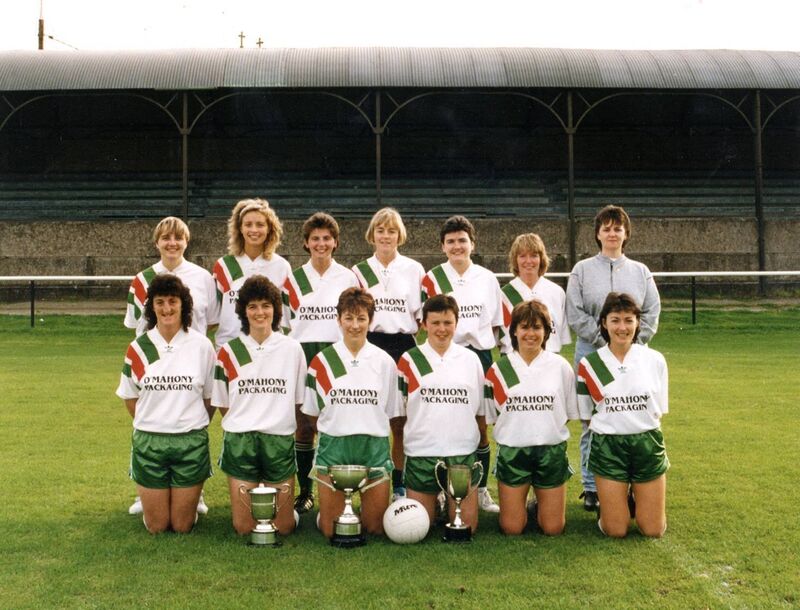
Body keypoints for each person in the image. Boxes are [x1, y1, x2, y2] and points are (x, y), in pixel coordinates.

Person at [566, 205, 661, 512]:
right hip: (592, 354)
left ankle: (633, 483)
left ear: (626, 234)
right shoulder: (581, 270)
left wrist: (630, 343)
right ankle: (592, 486)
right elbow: (575, 313)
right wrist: (603, 341)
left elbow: (651, 312)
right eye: (606, 228)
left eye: (617, 228)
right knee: (592, 421)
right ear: (597, 234)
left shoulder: (640, 272)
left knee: (630, 417)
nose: (612, 233)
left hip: (631, 356)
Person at [124, 216, 218, 516]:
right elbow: (134, 326)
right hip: (154, 362)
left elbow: (211, 321)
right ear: (157, 242)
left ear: (186, 242)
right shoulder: (141, 279)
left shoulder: (203, 277)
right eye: (166, 238)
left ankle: (195, 492)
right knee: (151, 425)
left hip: (192, 361)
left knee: (191, 428)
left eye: (178, 237)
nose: (172, 243)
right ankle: (146, 491)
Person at [116, 274, 216, 534]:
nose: (167, 308)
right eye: (160, 302)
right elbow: (130, 397)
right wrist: (153, 421)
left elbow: (209, 399)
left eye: (173, 301)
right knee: (158, 527)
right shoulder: (139, 347)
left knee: (182, 526)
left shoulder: (202, 346)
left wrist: (187, 422)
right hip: (150, 442)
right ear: (152, 307)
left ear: (183, 305)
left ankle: (189, 504)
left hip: (189, 442)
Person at [212, 275, 306, 536]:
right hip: (241, 442)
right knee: (245, 528)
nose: (259, 312)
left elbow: (298, 401)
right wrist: (246, 420)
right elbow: (223, 404)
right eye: (252, 306)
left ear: (276, 309)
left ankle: (290, 512)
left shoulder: (292, 349)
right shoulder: (229, 351)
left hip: (278, 441)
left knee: (283, 528)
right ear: (243, 311)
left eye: (266, 305)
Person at [421, 215, 503, 513]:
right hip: (443, 355)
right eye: (451, 241)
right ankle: (442, 488)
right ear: (443, 246)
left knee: (480, 424)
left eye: (462, 240)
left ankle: (480, 489)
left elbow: (495, 324)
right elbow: (426, 322)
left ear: (472, 243)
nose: (457, 246)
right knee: (442, 417)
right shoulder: (431, 279)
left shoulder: (487, 278)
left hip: (477, 357)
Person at [302, 288, 397, 539]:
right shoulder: (322, 361)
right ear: (338, 319)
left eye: (361, 318)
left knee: (374, 529)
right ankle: (329, 512)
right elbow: (313, 415)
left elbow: (390, 411)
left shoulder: (384, 361)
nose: (355, 325)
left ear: (370, 320)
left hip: (373, 446)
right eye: (349, 318)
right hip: (334, 446)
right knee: (331, 531)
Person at [282, 212, 360, 514]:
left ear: (336, 242)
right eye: (315, 238)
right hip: (303, 356)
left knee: (336, 422)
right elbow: (286, 324)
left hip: (337, 356)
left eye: (327, 238)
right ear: (306, 242)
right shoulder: (293, 279)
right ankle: (305, 491)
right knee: (303, 426)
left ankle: (341, 488)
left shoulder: (348, 277)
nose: (321, 243)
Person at [577, 292, 669, 538]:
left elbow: (659, 410)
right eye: (615, 320)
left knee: (652, 530)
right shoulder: (589, 364)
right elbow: (587, 416)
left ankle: (633, 498)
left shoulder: (654, 360)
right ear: (604, 323)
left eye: (629, 320)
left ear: (638, 323)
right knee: (615, 530)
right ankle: (611, 506)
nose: (622, 327)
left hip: (646, 444)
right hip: (608, 447)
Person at [351, 207, 425, 502]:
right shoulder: (359, 271)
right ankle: (368, 480)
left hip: (403, 346)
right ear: (372, 235)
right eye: (380, 230)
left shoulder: (414, 269)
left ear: (400, 235)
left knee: (401, 421)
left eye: (391, 230)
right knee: (371, 415)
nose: (386, 236)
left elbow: (420, 316)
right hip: (371, 344)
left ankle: (398, 483)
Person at [486, 300, 577, 536]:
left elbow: (566, 413)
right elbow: (494, 414)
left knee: (553, 528)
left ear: (546, 331)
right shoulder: (499, 369)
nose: (530, 333)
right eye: (524, 327)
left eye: (537, 327)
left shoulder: (560, 366)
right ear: (514, 330)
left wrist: (541, 428)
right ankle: (524, 504)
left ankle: (540, 504)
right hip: (514, 452)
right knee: (512, 528)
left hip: (550, 452)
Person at [396, 295, 485, 535]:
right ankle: (436, 501)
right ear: (424, 324)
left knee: (468, 528)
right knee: (419, 527)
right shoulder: (410, 360)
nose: (442, 329)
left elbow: (479, 411)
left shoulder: (470, 360)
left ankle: (449, 500)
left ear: (457, 323)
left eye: (447, 322)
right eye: (435, 323)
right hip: (422, 452)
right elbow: (400, 411)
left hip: (460, 454)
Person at [212, 198, 291, 349]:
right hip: (231, 348)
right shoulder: (223, 265)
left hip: (269, 348)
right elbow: (214, 317)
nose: (254, 230)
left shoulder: (281, 266)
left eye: (260, 225)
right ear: (240, 228)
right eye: (248, 224)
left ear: (269, 229)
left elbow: (286, 316)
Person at [501, 233, 570, 354]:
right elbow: (499, 339)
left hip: (549, 360)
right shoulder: (503, 295)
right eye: (522, 256)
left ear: (541, 258)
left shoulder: (557, 292)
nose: (528, 261)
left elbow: (560, 335)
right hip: (514, 362)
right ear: (515, 259)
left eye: (534, 256)